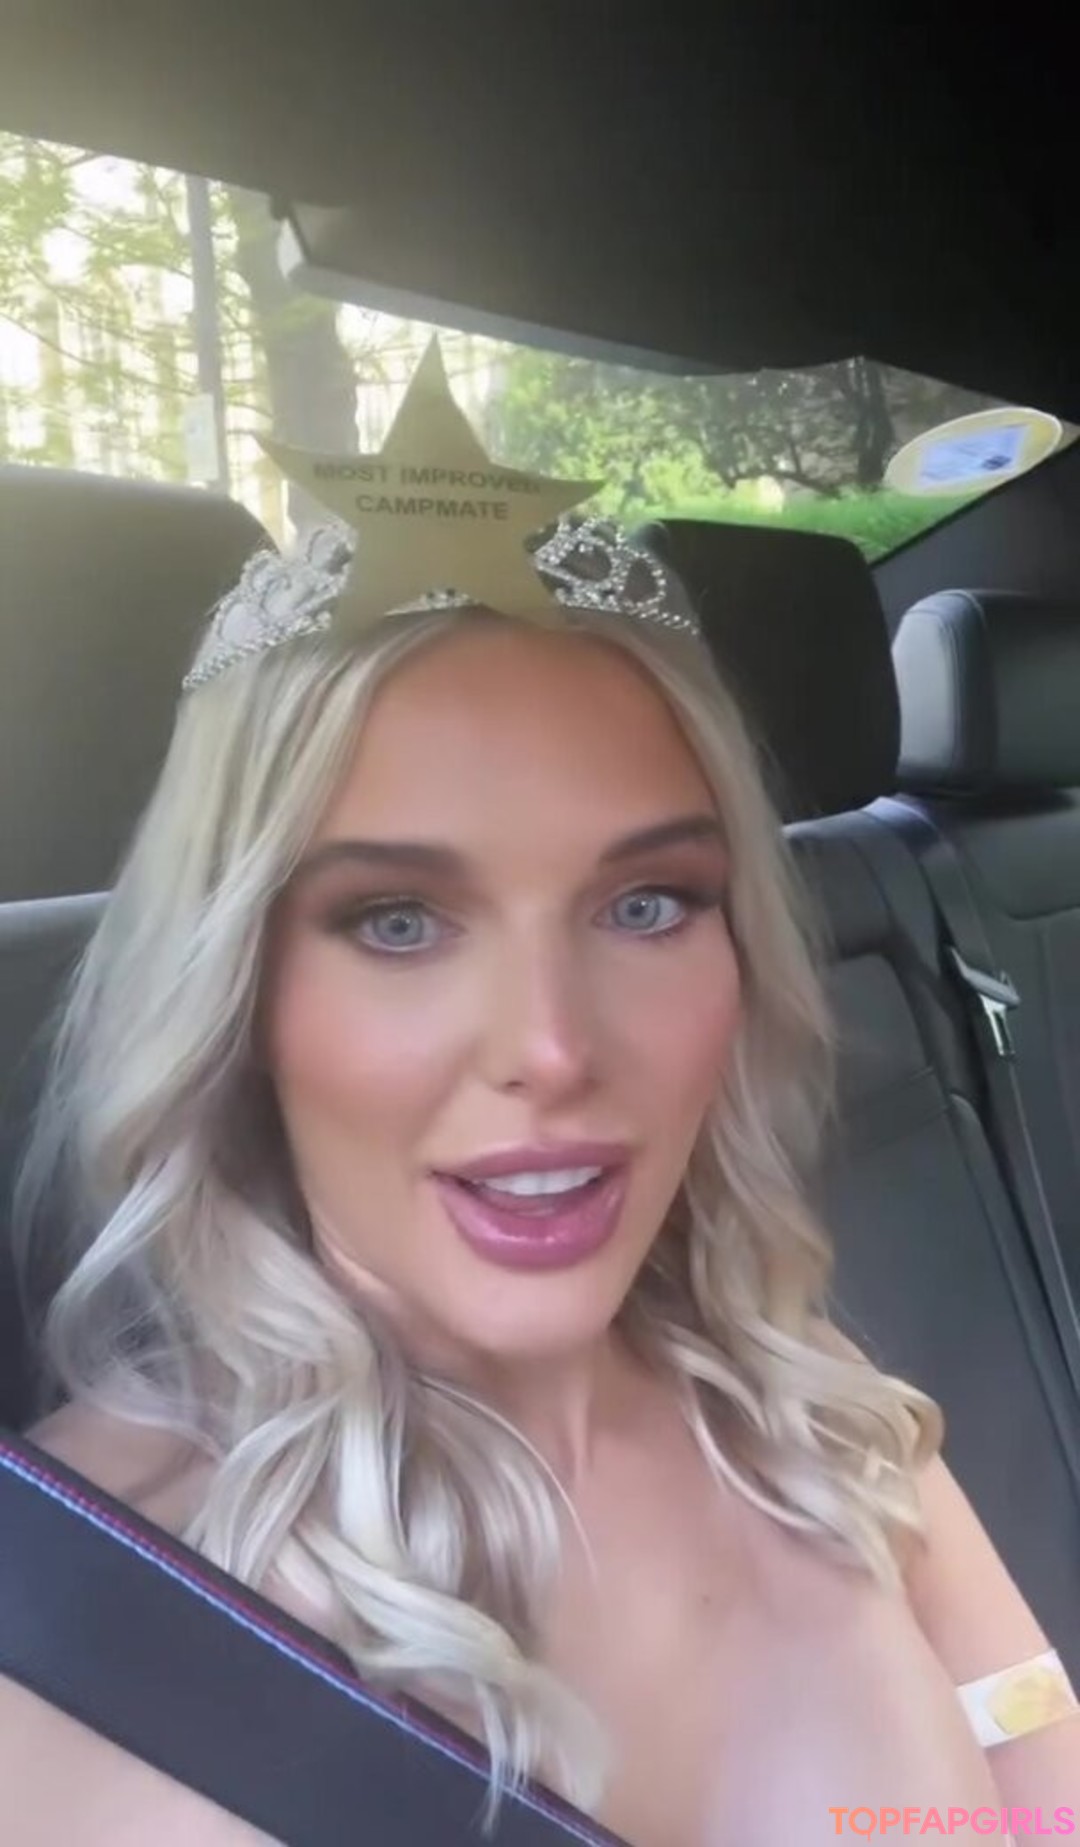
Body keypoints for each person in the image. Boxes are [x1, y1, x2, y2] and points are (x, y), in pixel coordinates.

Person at [5, 345, 1078, 1846]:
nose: (556, 1048)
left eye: (646, 905)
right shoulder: (83, 1621)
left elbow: (1039, 1767)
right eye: (397, 921)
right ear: (239, 994)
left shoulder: (803, 1402)